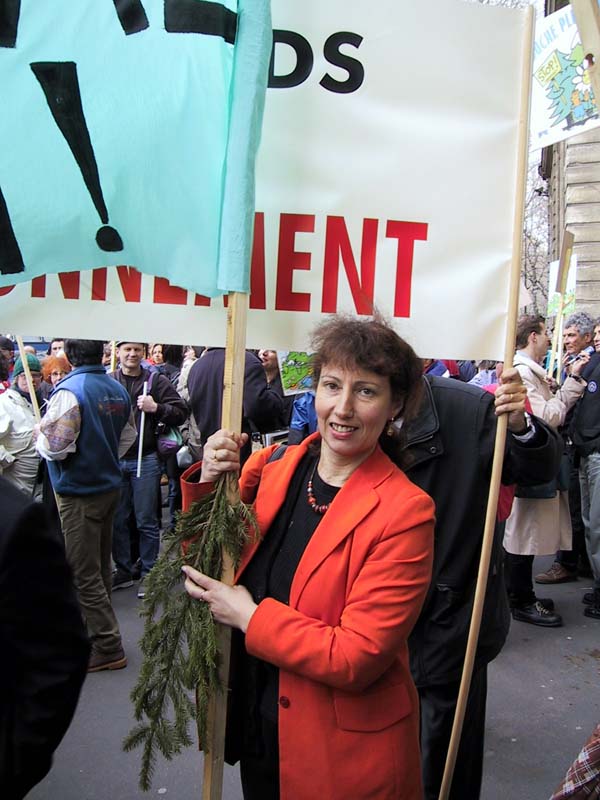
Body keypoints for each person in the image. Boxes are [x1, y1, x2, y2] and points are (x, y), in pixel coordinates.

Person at [182, 317, 435, 800]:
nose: (343, 408)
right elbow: (207, 562)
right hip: (259, 726)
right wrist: (211, 482)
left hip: (340, 758)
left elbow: (356, 656)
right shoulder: (274, 465)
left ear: (395, 404)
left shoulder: (406, 513)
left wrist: (251, 617)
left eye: (365, 391)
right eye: (331, 386)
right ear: (312, 391)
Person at [402, 363, 561, 799]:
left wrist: (521, 425)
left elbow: (536, 468)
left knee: (442, 768)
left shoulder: (469, 408)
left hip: (451, 627)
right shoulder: (341, 413)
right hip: (368, 633)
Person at [36, 339, 135, 672]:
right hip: (108, 485)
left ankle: (107, 644)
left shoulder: (70, 390)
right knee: (100, 564)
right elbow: (128, 436)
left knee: (83, 570)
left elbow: (56, 447)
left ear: (70, 356)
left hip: (79, 489)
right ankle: (96, 633)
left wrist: (41, 434)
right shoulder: (116, 387)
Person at [0, 476, 90, 799]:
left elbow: (57, 660)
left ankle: (110, 643)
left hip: (82, 491)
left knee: (90, 576)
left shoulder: (13, 521)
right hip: (85, 489)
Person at [503, 315, 588, 627]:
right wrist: (560, 395)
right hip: (531, 463)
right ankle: (520, 599)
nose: (552, 339)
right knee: (523, 533)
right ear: (533, 337)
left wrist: (567, 384)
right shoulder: (524, 373)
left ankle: (520, 594)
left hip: (535, 462)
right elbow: (545, 417)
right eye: (547, 333)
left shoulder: (531, 372)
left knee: (526, 530)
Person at [110, 341, 188, 597]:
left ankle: (149, 573)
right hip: (115, 459)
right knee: (119, 520)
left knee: (146, 520)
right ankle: (123, 569)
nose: (132, 354)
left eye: (136, 350)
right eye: (126, 349)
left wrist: (157, 408)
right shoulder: (110, 381)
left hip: (146, 458)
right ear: (118, 352)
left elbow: (181, 412)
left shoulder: (155, 381)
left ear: (143, 353)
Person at [536, 311, 596, 585]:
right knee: (576, 510)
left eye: (572, 335)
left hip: (581, 444)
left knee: (578, 512)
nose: (566, 340)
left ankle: (569, 563)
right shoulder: (572, 363)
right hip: (573, 444)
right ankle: (579, 562)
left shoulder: (590, 364)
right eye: (565, 334)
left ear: (586, 337)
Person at [187, 348, 284, 465]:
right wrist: (275, 396)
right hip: (239, 452)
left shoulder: (197, 367)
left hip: (209, 450)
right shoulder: (246, 361)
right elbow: (257, 406)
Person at [570, 318, 600, 620]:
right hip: (586, 451)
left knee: (598, 524)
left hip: (596, 452)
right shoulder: (591, 363)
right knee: (591, 522)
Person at [0, 353, 43, 498]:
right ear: (16, 378)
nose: (31, 380)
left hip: (40, 488)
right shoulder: (4, 403)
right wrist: (7, 460)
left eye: (36, 375)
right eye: (25, 375)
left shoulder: (44, 403)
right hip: (15, 490)